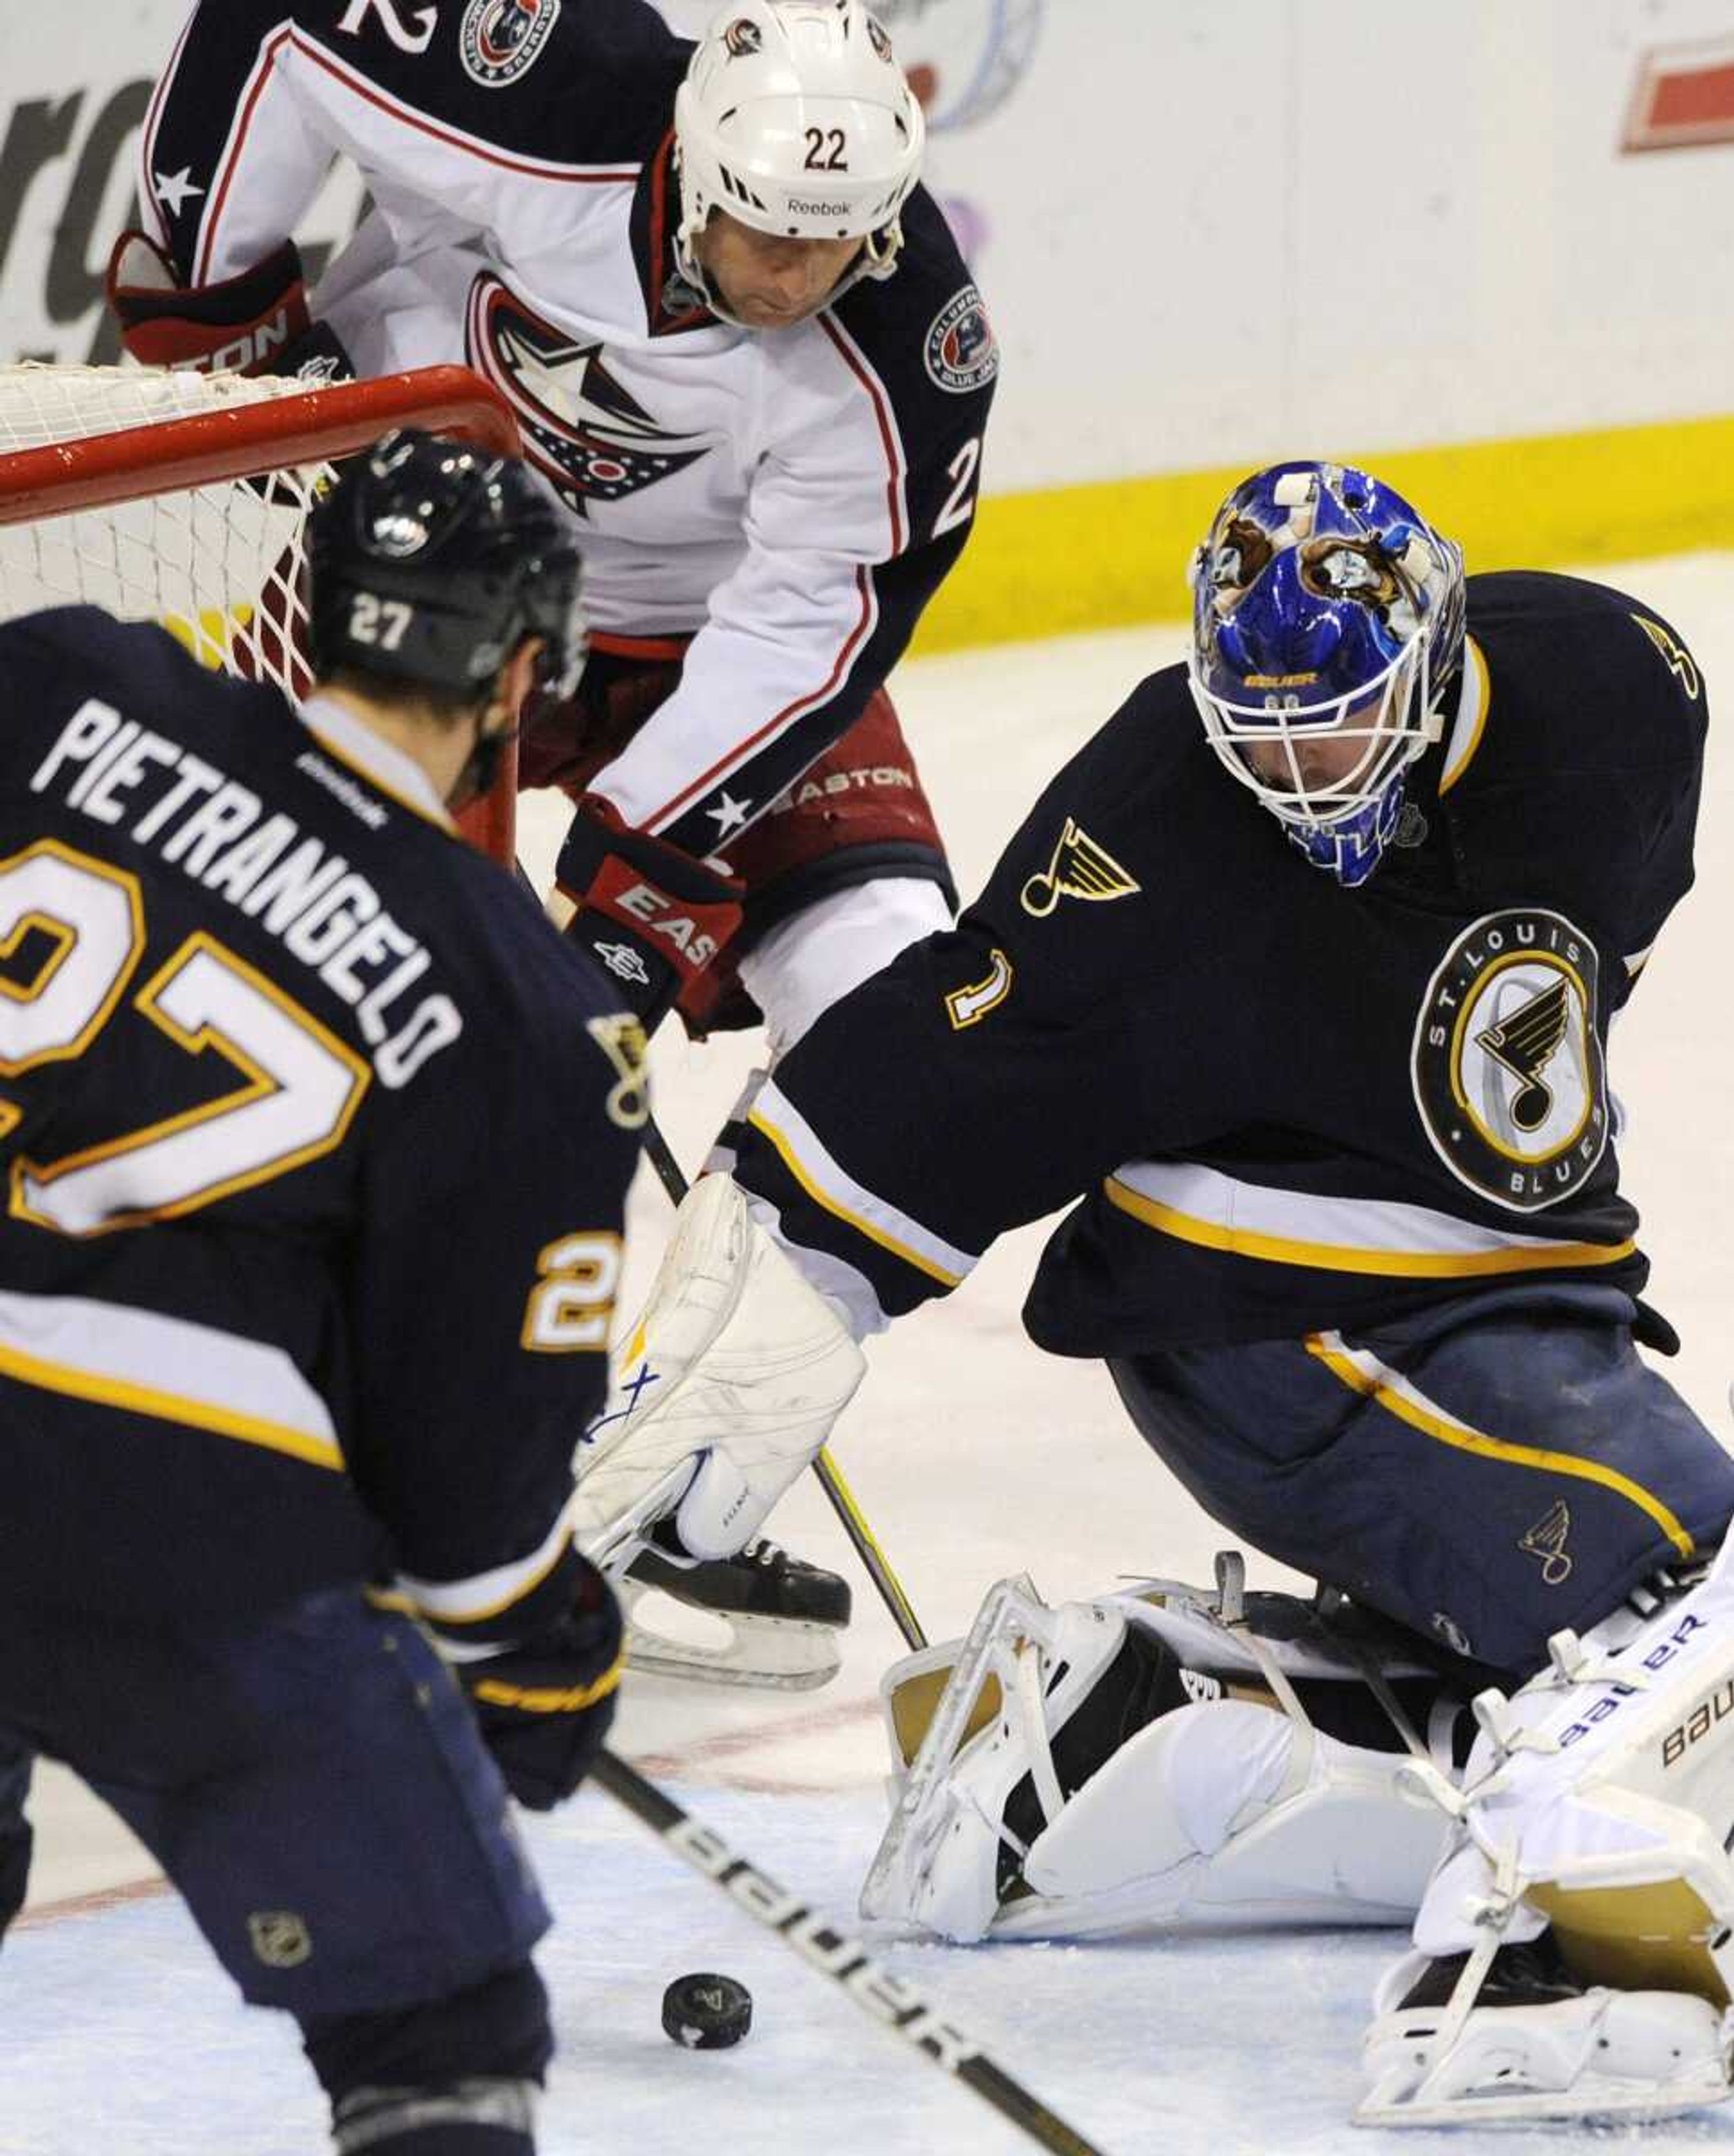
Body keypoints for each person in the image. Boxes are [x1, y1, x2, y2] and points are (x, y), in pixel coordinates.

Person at [567, 459, 1734, 2126]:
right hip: (1299, 1334)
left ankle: (1117, 1736)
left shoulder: (1620, 693)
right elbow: (923, 1084)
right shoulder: (1158, 822)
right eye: (1253, 732)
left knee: (1619, 1651)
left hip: (1509, 1309)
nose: (1288, 773)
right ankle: (1548, 1953)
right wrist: (691, 1410)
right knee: (1707, 1615)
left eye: (1330, 730)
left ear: (1428, 657)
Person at [0, 429, 639, 2156]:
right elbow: (464, 1496)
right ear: (522, 672)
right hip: (176, 1514)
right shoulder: (531, 1011)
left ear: (308, 600)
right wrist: (540, 1644)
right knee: (439, 2029)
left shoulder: (59, 676)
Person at [113, 0, 997, 1057]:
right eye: (770, 233)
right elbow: (283, 29)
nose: (798, 280)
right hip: (416, 576)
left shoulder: (916, 346)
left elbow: (805, 628)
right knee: (222, 944)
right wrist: (226, 310)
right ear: (705, 174)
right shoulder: (548, 96)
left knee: (886, 1007)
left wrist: (641, 861)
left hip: (701, 646)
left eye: (835, 240)